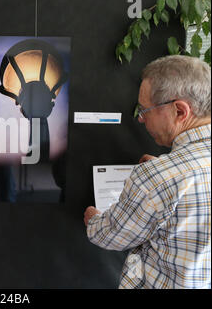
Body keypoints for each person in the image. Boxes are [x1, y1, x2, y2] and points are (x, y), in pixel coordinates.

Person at [84, 55, 210, 289]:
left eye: (145, 110)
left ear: (180, 111)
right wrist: (166, 175)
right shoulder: (166, 176)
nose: (141, 120)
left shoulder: (158, 177)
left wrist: (93, 218)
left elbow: (110, 235)